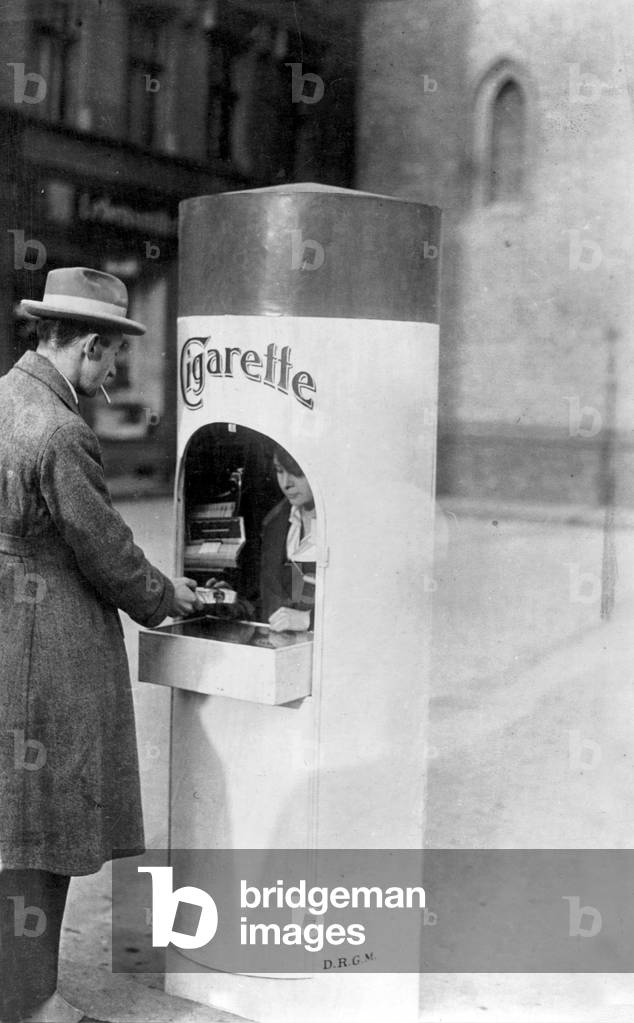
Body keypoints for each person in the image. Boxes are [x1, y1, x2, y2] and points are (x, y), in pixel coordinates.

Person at [0, 267, 201, 1023]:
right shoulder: (60, 429)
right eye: (112, 356)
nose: (113, 372)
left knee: (12, 823)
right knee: (41, 828)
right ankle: (32, 1003)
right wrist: (165, 596)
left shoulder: (1, 398)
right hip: (44, 645)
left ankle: (18, 991)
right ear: (87, 344)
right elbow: (106, 550)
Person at [258, 444, 316, 633]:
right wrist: (234, 605)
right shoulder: (274, 523)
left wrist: (309, 619)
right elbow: (275, 598)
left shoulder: (351, 527)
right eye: (279, 471)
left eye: (296, 472)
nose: (286, 483)